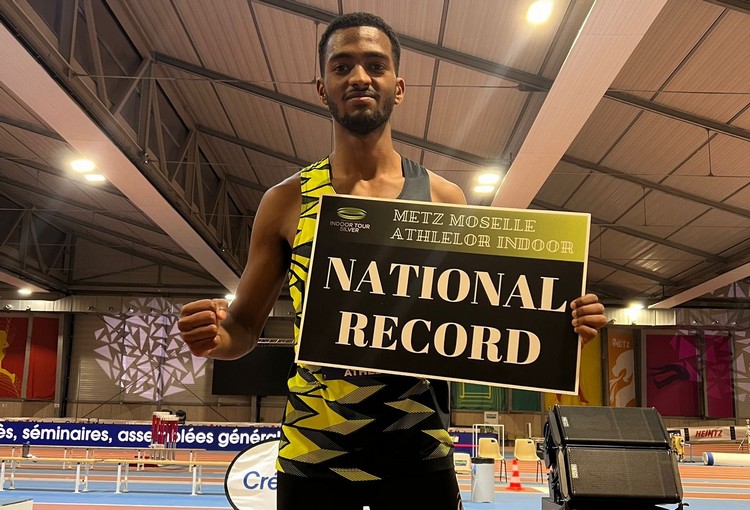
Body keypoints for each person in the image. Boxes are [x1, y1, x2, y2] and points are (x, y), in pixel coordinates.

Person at [177, 11, 607, 510]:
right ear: (321, 88)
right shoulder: (286, 201)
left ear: (397, 88)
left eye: (375, 66)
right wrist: (216, 337)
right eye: (342, 67)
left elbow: (483, 323)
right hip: (314, 454)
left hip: (418, 454)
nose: (359, 77)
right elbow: (244, 327)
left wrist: (558, 329)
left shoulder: (444, 199)